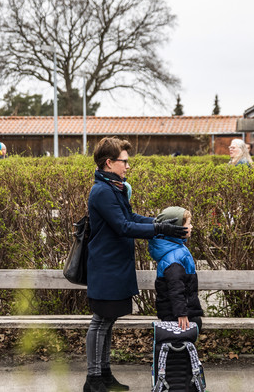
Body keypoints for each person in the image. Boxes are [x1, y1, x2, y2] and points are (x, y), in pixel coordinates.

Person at [85, 137, 188, 392]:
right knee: (100, 321)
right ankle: (93, 379)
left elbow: (130, 217)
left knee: (108, 321)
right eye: (124, 161)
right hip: (106, 266)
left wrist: (161, 223)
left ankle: (105, 375)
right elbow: (123, 226)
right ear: (109, 163)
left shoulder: (114, 187)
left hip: (115, 266)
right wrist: (159, 228)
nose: (128, 166)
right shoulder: (102, 191)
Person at [148, 206, 203, 332]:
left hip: (178, 310)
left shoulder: (176, 248)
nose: (192, 226)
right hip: (175, 314)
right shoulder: (173, 257)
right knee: (186, 333)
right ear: (177, 228)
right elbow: (175, 287)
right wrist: (181, 313)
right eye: (189, 224)